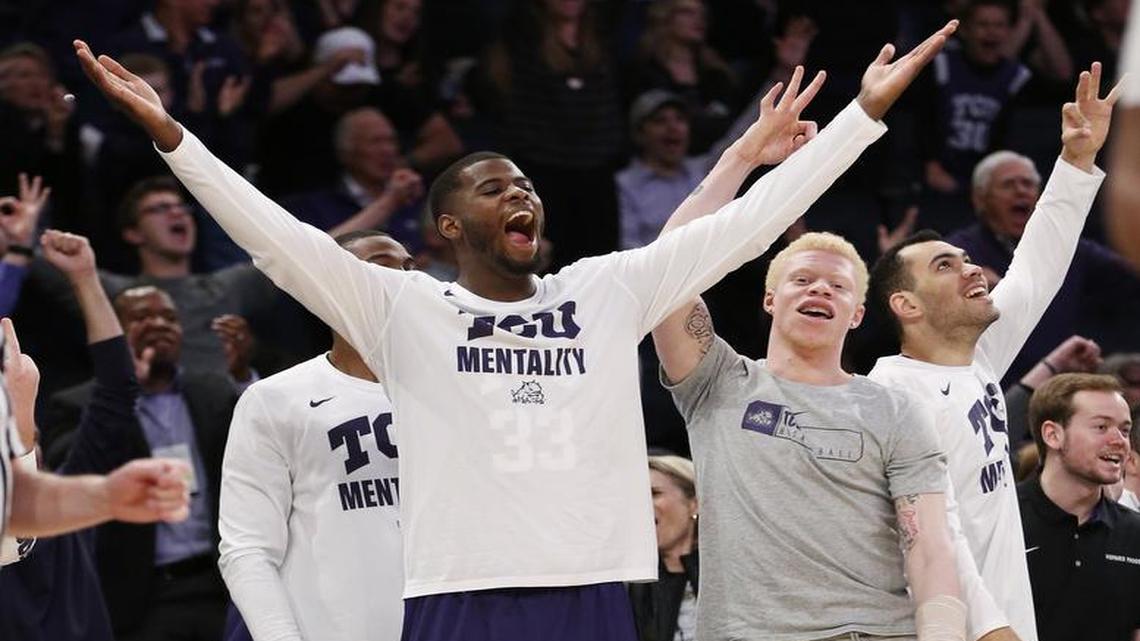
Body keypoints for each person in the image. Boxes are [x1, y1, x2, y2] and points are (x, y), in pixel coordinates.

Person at [74, 20, 954, 640]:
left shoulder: (602, 289)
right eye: (494, 188)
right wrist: (171, 135)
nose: (521, 194)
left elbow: (749, 225)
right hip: (459, 589)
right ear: (447, 227)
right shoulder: (405, 306)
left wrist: (862, 119)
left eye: (526, 185)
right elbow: (275, 237)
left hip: (592, 585)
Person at [866, 62, 1121, 641]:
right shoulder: (892, 395)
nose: (973, 268)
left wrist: (1076, 161)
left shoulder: (972, 360)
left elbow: (1036, 267)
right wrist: (989, 627)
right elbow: (932, 533)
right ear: (905, 305)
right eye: (945, 265)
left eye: (965, 257)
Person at [653, 226, 963, 640]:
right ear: (770, 300)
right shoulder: (720, 381)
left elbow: (929, 545)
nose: (819, 289)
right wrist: (740, 160)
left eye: (838, 285)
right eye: (801, 280)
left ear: (856, 315)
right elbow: (666, 267)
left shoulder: (895, 410)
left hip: (874, 631)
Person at [42, 230, 239, 639]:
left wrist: (242, 377)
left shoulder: (216, 391)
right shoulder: (78, 404)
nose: (159, 325)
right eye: (143, 318)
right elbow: (72, 468)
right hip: (142, 596)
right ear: (115, 329)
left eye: (168, 318)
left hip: (222, 583)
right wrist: (121, 391)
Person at [219, 231, 413, 641]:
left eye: (411, 270)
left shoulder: (461, 388)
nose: (403, 281)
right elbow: (247, 549)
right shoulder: (275, 399)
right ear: (327, 288)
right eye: (381, 266)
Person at [945, 148, 1140, 385]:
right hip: (991, 382)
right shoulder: (958, 252)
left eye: (1027, 184)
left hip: (1057, 385)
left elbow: (1127, 271)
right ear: (980, 198)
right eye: (1008, 185)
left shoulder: (1072, 248)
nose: (1020, 190)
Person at [1018, 373, 1140, 641]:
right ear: (1053, 435)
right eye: (1101, 427)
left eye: (1125, 429)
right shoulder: (1000, 518)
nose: (1119, 440)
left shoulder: (1135, 533)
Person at [628, 454, 699, 641]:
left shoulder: (730, 577)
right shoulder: (631, 589)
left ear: (694, 504)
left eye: (654, 493)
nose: (642, 505)